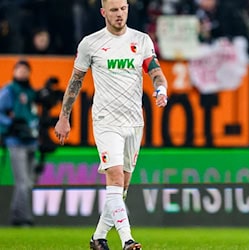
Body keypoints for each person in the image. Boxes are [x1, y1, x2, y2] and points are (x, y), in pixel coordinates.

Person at [54, 0, 169, 249]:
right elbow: (76, 81)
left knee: (123, 187)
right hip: (106, 121)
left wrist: (161, 88)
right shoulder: (90, 43)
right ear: (103, 12)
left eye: (123, 9)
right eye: (114, 10)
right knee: (115, 178)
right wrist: (64, 116)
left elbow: (155, 71)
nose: (119, 14)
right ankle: (128, 240)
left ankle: (98, 238)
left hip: (134, 121)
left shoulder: (141, 40)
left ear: (128, 9)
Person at [0, 59, 40, 227]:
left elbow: (33, 114)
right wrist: (10, 125)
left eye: (25, 70)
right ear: (14, 71)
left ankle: (17, 216)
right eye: (20, 69)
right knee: (22, 182)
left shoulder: (30, 91)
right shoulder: (9, 90)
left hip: (31, 140)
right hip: (16, 141)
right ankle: (24, 219)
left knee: (28, 182)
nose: (22, 73)